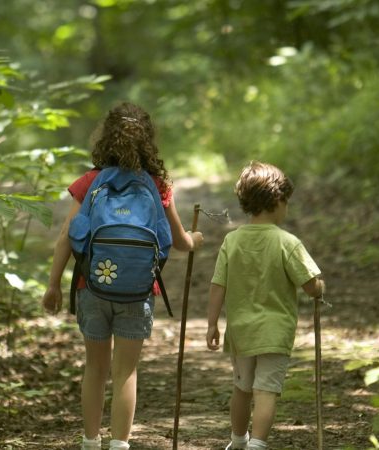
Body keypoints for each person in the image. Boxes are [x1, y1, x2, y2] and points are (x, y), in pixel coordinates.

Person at [41, 102, 204, 450]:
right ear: (148, 140)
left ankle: (89, 441)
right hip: (138, 291)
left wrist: (54, 285)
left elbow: (67, 237)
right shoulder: (158, 184)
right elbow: (179, 241)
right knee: (126, 371)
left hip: (91, 286)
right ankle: (119, 444)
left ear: (105, 138)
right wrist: (196, 240)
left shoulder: (89, 181)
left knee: (95, 368)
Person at [206, 161, 325, 450]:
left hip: (241, 332)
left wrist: (212, 323)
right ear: (277, 200)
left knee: (242, 388)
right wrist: (320, 288)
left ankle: (237, 440)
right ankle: (257, 445)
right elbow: (311, 286)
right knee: (266, 390)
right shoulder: (288, 242)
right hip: (274, 333)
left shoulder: (231, 240)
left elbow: (217, 284)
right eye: (287, 202)